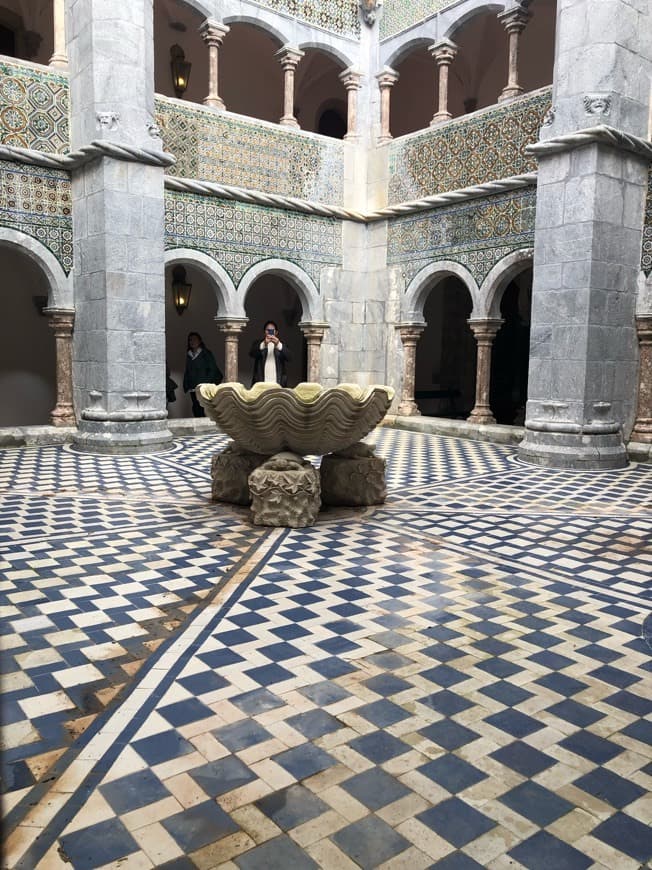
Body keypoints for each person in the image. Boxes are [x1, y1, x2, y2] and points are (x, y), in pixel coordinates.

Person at [183, 332, 222, 417]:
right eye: (190, 340)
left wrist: (205, 383)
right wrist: (186, 384)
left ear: (200, 341)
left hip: (203, 387)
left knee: (203, 407)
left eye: (194, 339)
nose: (192, 342)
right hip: (192, 387)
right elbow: (188, 370)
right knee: (196, 407)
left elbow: (213, 370)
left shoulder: (206, 354)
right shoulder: (189, 354)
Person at [250, 320, 291, 387]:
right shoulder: (258, 344)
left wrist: (278, 344)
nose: (270, 332)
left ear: (276, 332)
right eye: (267, 330)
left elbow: (289, 358)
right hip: (261, 384)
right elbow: (252, 354)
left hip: (278, 384)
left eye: (272, 330)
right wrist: (264, 344)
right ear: (264, 332)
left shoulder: (282, 345)